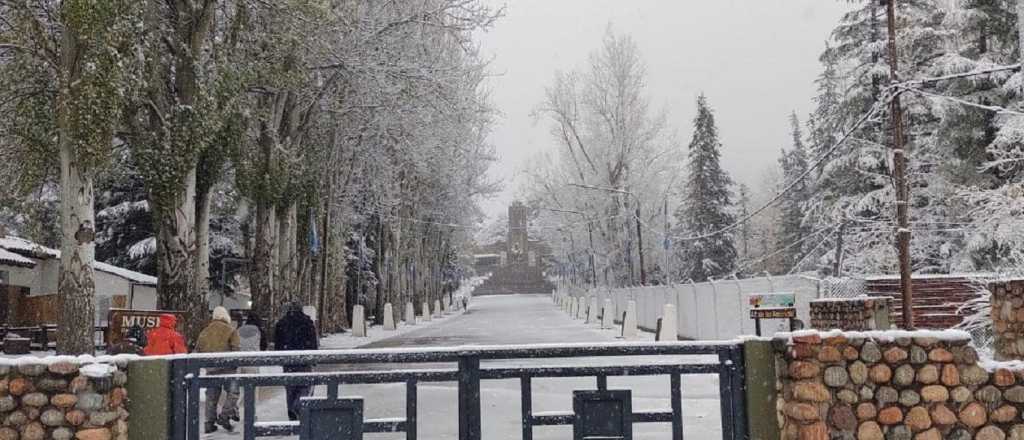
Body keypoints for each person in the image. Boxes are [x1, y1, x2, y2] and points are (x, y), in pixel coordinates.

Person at [196, 307, 241, 433]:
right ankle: (224, 416)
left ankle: (209, 423)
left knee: (211, 396)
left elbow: (198, 350)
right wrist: (235, 365)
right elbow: (236, 350)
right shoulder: (231, 330)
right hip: (228, 368)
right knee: (233, 393)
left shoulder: (204, 331)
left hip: (211, 368)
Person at [274, 301, 319, 421]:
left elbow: (278, 344)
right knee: (305, 385)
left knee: (290, 388)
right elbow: (313, 342)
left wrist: (280, 358)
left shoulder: (281, 323)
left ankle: (291, 412)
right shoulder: (307, 322)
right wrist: (313, 358)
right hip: (304, 360)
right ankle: (299, 405)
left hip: (288, 360)